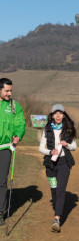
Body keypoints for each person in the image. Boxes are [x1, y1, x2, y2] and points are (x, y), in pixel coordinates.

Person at [39, 104, 77, 232]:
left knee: (61, 190)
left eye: (60, 113)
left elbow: (74, 146)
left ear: (64, 115)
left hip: (63, 163)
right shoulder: (47, 128)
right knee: (54, 190)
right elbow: (41, 148)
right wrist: (50, 152)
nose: (58, 115)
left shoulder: (68, 129)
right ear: (52, 115)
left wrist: (67, 145)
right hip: (50, 164)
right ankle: (58, 207)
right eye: (56, 113)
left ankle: (57, 219)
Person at [0, 78, 25, 226]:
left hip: (4, 148)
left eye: (11, 91)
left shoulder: (14, 106)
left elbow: (20, 123)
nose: (10, 93)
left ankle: (0, 213)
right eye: (6, 91)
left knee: (2, 182)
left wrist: (18, 135)